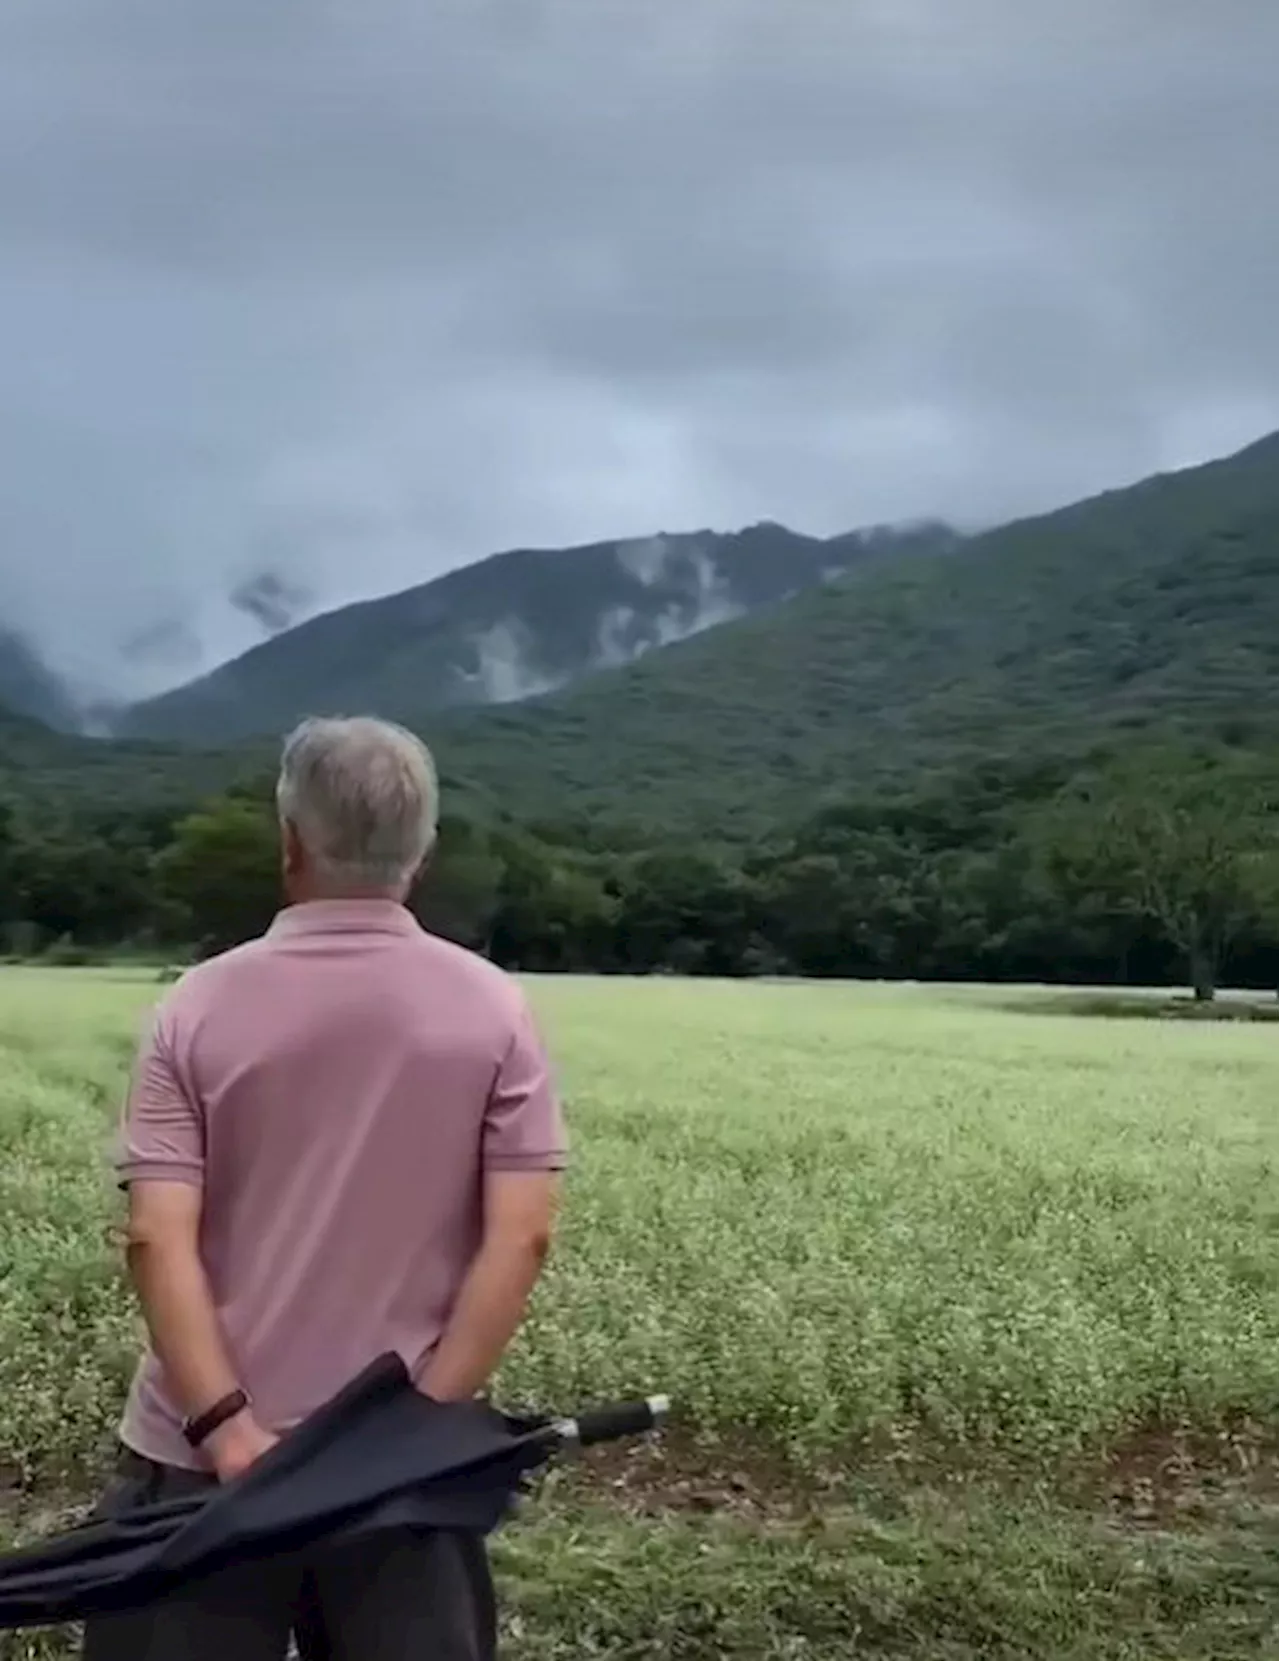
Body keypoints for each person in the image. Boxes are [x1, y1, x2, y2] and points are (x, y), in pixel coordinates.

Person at [83, 715, 567, 1661]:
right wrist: (414, 1429)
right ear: (420, 853)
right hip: (400, 1481)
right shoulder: (494, 1007)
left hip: (197, 1473)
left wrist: (228, 1430)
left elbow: (156, 1236)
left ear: (289, 840)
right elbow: (523, 1237)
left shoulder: (196, 1003)